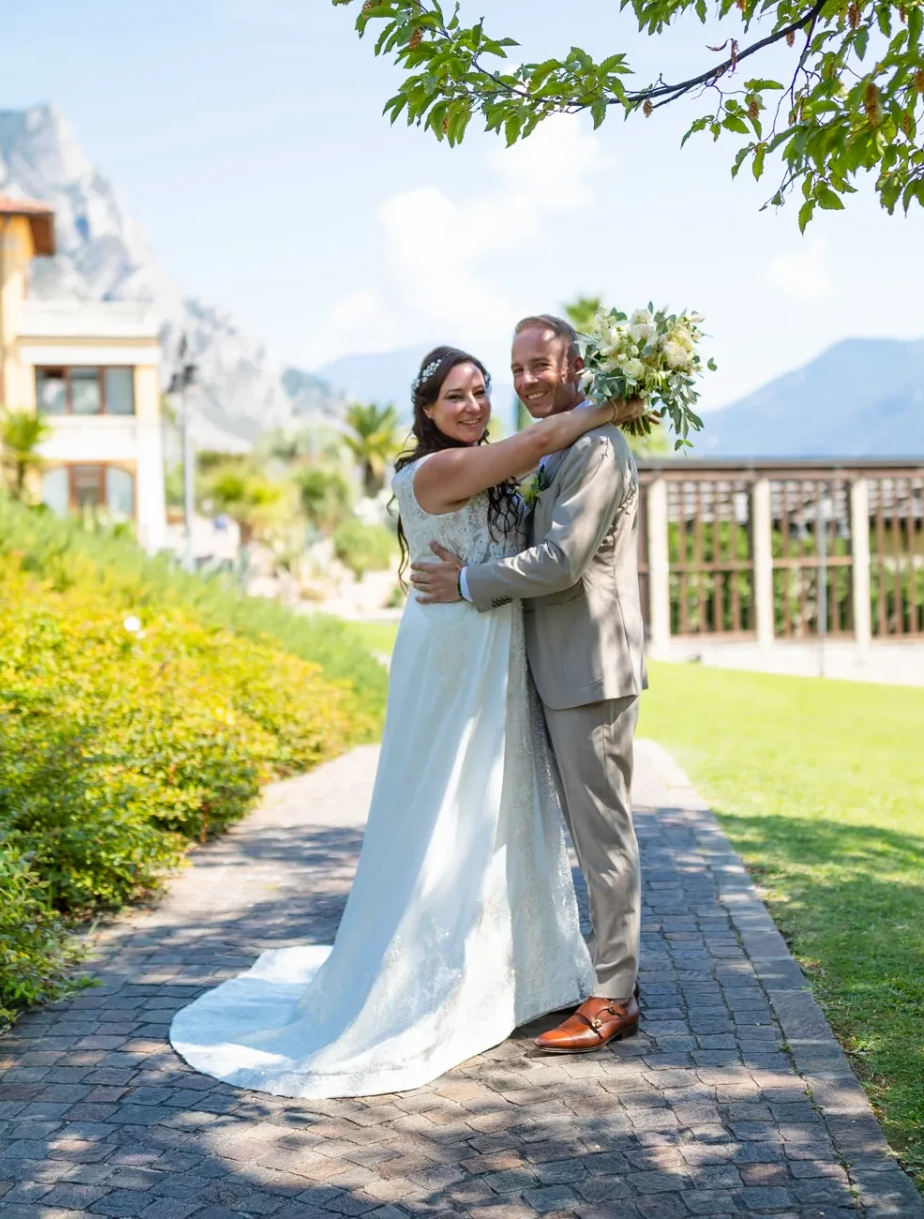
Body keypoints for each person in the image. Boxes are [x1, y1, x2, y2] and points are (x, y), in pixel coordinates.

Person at [168, 345, 636, 1097]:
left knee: (498, 804)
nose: (474, 406)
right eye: (456, 396)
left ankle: (516, 964)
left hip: (493, 642)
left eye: (481, 392)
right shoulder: (438, 470)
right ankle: (438, 972)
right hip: (454, 651)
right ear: (426, 410)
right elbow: (547, 436)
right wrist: (622, 399)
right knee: (448, 806)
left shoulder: (486, 462)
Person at [410, 314, 648, 1054]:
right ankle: (591, 975)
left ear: (575, 365)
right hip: (549, 665)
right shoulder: (559, 447)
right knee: (570, 832)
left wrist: (468, 581)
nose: (526, 381)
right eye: (516, 369)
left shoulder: (598, 450)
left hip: (589, 667)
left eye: (539, 365)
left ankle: (614, 997)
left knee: (602, 837)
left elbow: (562, 562)